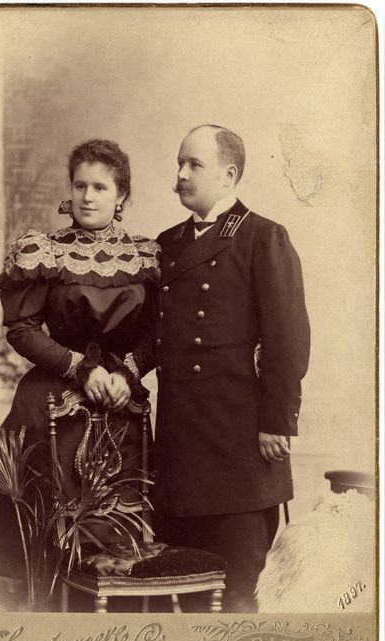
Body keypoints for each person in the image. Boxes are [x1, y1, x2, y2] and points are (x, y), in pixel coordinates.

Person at [0, 139, 159, 609]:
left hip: (122, 404)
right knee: (38, 526)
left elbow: (158, 332)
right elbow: (21, 328)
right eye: (80, 186)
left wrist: (128, 373)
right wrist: (78, 367)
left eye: (100, 187)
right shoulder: (44, 251)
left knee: (119, 527)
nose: (87, 197)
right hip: (53, 400)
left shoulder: (145, 256)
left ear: (122, 195)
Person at [128, 124, 310, 612]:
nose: (182, 174)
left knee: (234, 598)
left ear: (228, 175)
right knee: (186, 598)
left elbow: (287, 339)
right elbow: (153, 337)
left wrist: (277, 421)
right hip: (181, 449)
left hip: (240, 451)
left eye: (195, 165)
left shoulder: (262, 236)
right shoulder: (168, 242)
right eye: (180, 164)